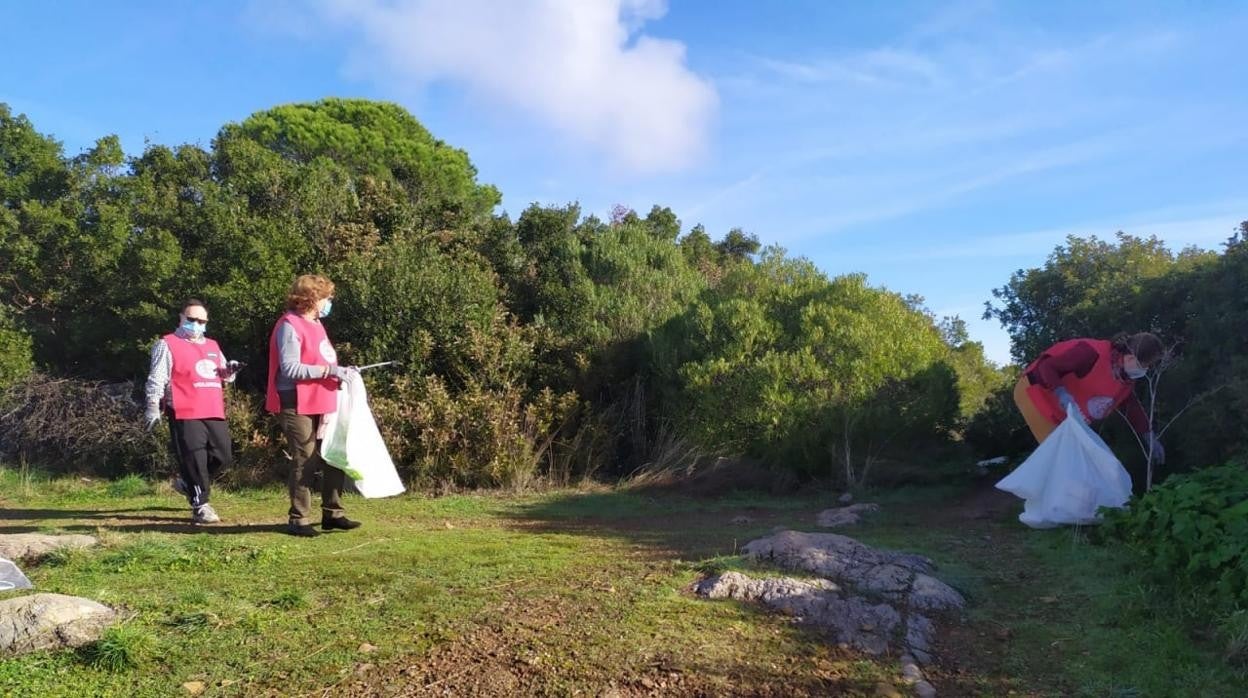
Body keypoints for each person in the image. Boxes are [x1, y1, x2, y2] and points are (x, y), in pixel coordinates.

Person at [266, 274, 360, 537]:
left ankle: (333, 513)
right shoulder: (289, 325)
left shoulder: (317, 324)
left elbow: (322, 360)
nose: (329, 302)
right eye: (327, 298)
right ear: (311, 298)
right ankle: (299, 518)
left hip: (321, 398)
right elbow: (291, 368)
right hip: (294, 400)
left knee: (333, 454)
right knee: (305, 458)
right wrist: (330, 370)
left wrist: (340, 372)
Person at [144, 298, 239, 524]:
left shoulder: (212, 345)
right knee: (194, 459)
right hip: (184, 409)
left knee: (223, 456)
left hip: (212, 408)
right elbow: (157, 378)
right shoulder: (166, 344)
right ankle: (200, 505)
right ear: (181, 318)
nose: (197, 324)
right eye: (192, 319)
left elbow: (223, 374)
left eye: (201, 321)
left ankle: (189, 483)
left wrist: (231, 371)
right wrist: (152, 406)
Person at [1013, 331, 1166, 463]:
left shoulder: (1124, 378)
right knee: (1063, 459)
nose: (1144, 370)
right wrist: (1062, 394)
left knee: (1085, 461)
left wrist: (1149, 437)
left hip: (1063, 415)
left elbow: (1131, 407)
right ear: (1131, 358)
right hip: (1035, 394)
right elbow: (1047, 367)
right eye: (1144, 365)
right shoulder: (1090, 353)